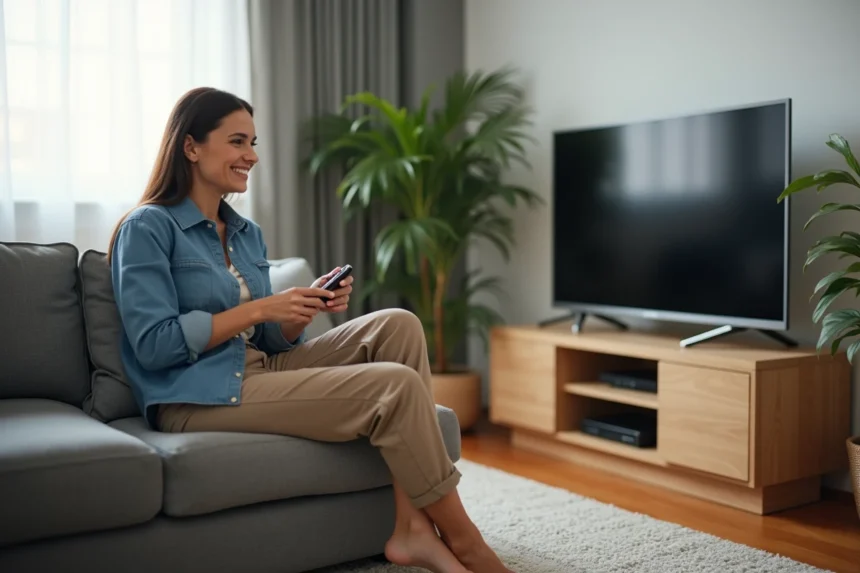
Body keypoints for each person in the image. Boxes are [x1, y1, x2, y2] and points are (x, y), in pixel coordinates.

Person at [107, 87, 512, 573]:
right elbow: (154, 346)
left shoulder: (244, 232)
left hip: (258, 368)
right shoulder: (148, 227)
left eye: (253, 142)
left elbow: (266, 342)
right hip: (196, 394)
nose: (252, 156)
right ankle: (468, 544)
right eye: (237, 142)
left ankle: (412, 528)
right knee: (394, 386)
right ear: (191, 147)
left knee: (398, 325)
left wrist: (294, 317)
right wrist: (258, 310)